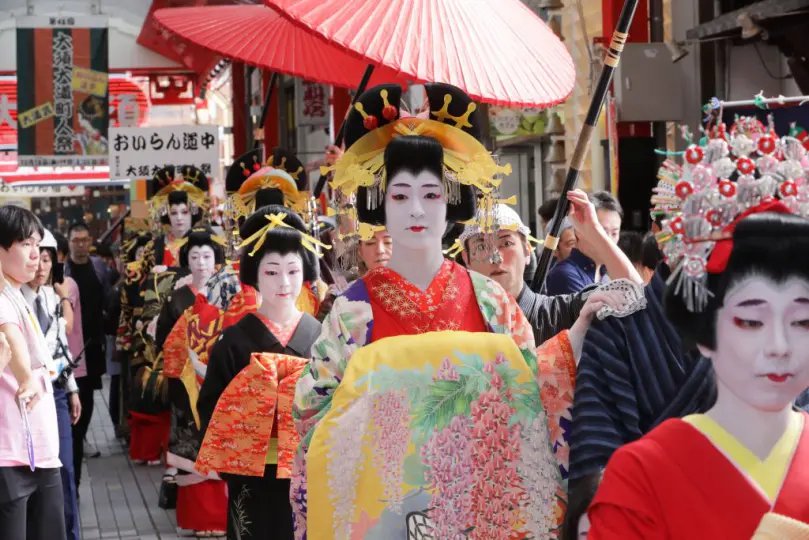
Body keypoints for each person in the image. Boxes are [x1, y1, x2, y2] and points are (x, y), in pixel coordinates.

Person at [293, 83, 566, 539]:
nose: (416, 209)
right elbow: (313, 415)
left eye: (431, 194)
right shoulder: (352, 310)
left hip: (482, 501)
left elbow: (533, 396)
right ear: (380, 202)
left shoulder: (492, 300)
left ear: (452, 202)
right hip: (385, 509)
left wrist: (577, 340)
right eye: (400, 195)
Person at [588, 208, 809, 537]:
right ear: (705, 333)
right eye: (751, 322)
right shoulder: (637, 473)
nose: (779, 346)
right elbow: (594, 453)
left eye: (802, 322)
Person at [197, 205, 323, 539]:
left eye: (293, 271)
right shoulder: (234, 341)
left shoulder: (320, 336)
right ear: (255, 274)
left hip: (309, 469)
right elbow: (210, 407)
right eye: (272, 272)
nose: (284, 282)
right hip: (252, 474)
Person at [159, 228, 231, 536]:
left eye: (207, 256)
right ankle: (198, 519)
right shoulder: (177, 296)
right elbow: (164, 337)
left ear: (216, 260)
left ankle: (220, 518)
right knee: (193, 447)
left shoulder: (229, 292)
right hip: (186, 384)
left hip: (220, 379)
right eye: (195, 256)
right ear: (186, 261)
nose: (201, 263)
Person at [0, 205, 66, 540]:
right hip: (11, 452)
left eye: (37, 245)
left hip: (39, 448)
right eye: (25, 244)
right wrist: (25, 377)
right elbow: (11, 339)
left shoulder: (18, 295)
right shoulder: (2, 297)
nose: (34, 255)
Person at [21, 229, 82, 540]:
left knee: (65, 469)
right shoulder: (14, 297)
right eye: (35, 257)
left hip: (56, 391)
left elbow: (62, 347)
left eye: (46, 258)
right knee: (34, 473)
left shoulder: (51, 296)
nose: (40, 265)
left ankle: (72, 533)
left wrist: (72, 389)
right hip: (25, 396)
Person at [64, 221, 112, 487]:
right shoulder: (64, 272)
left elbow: (107, 297)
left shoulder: (99, 267)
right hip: (73, 344)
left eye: (84, 240)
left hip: (95, 342)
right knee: (78, 391)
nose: (81, 244)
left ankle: (80, 434)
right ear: (68, 243)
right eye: (76, 240)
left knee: (91, 393)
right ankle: (77, 435)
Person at [545, 191, 623, 295]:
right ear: (579, 230)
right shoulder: (565, 275)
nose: (608, 240)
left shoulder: (605, 277)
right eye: (602, 232)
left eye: (614, 233)